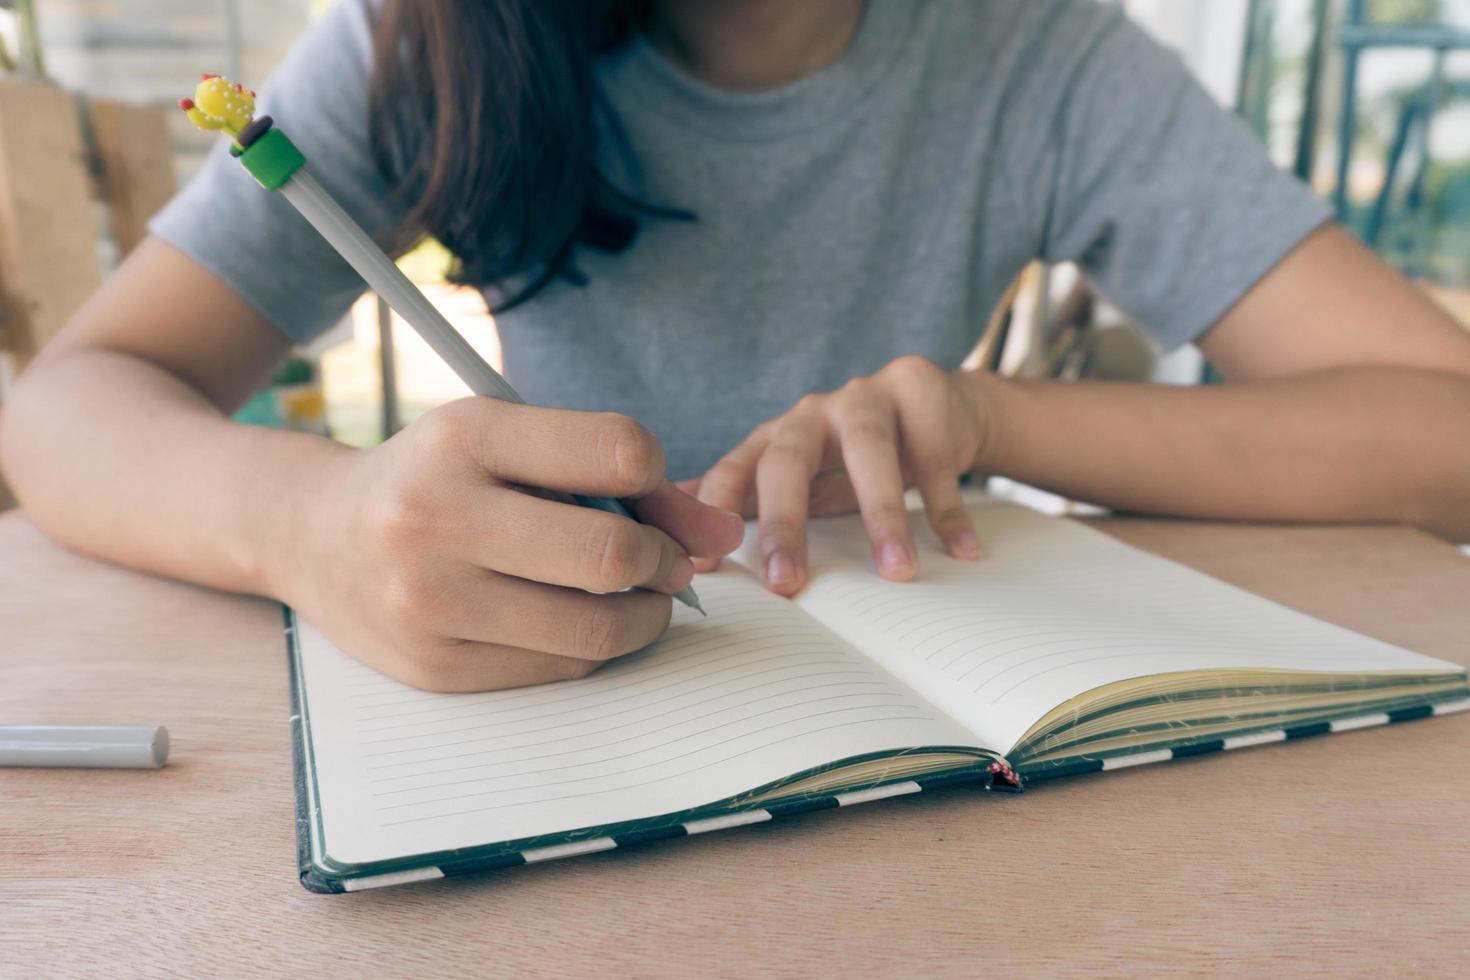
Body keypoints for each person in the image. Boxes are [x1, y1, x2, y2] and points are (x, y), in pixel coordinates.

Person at [4, 0, 1469, 693]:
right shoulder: (422, 42)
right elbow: (62, 405)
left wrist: (987, 416)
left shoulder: (1045, 59)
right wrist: (306, 522)